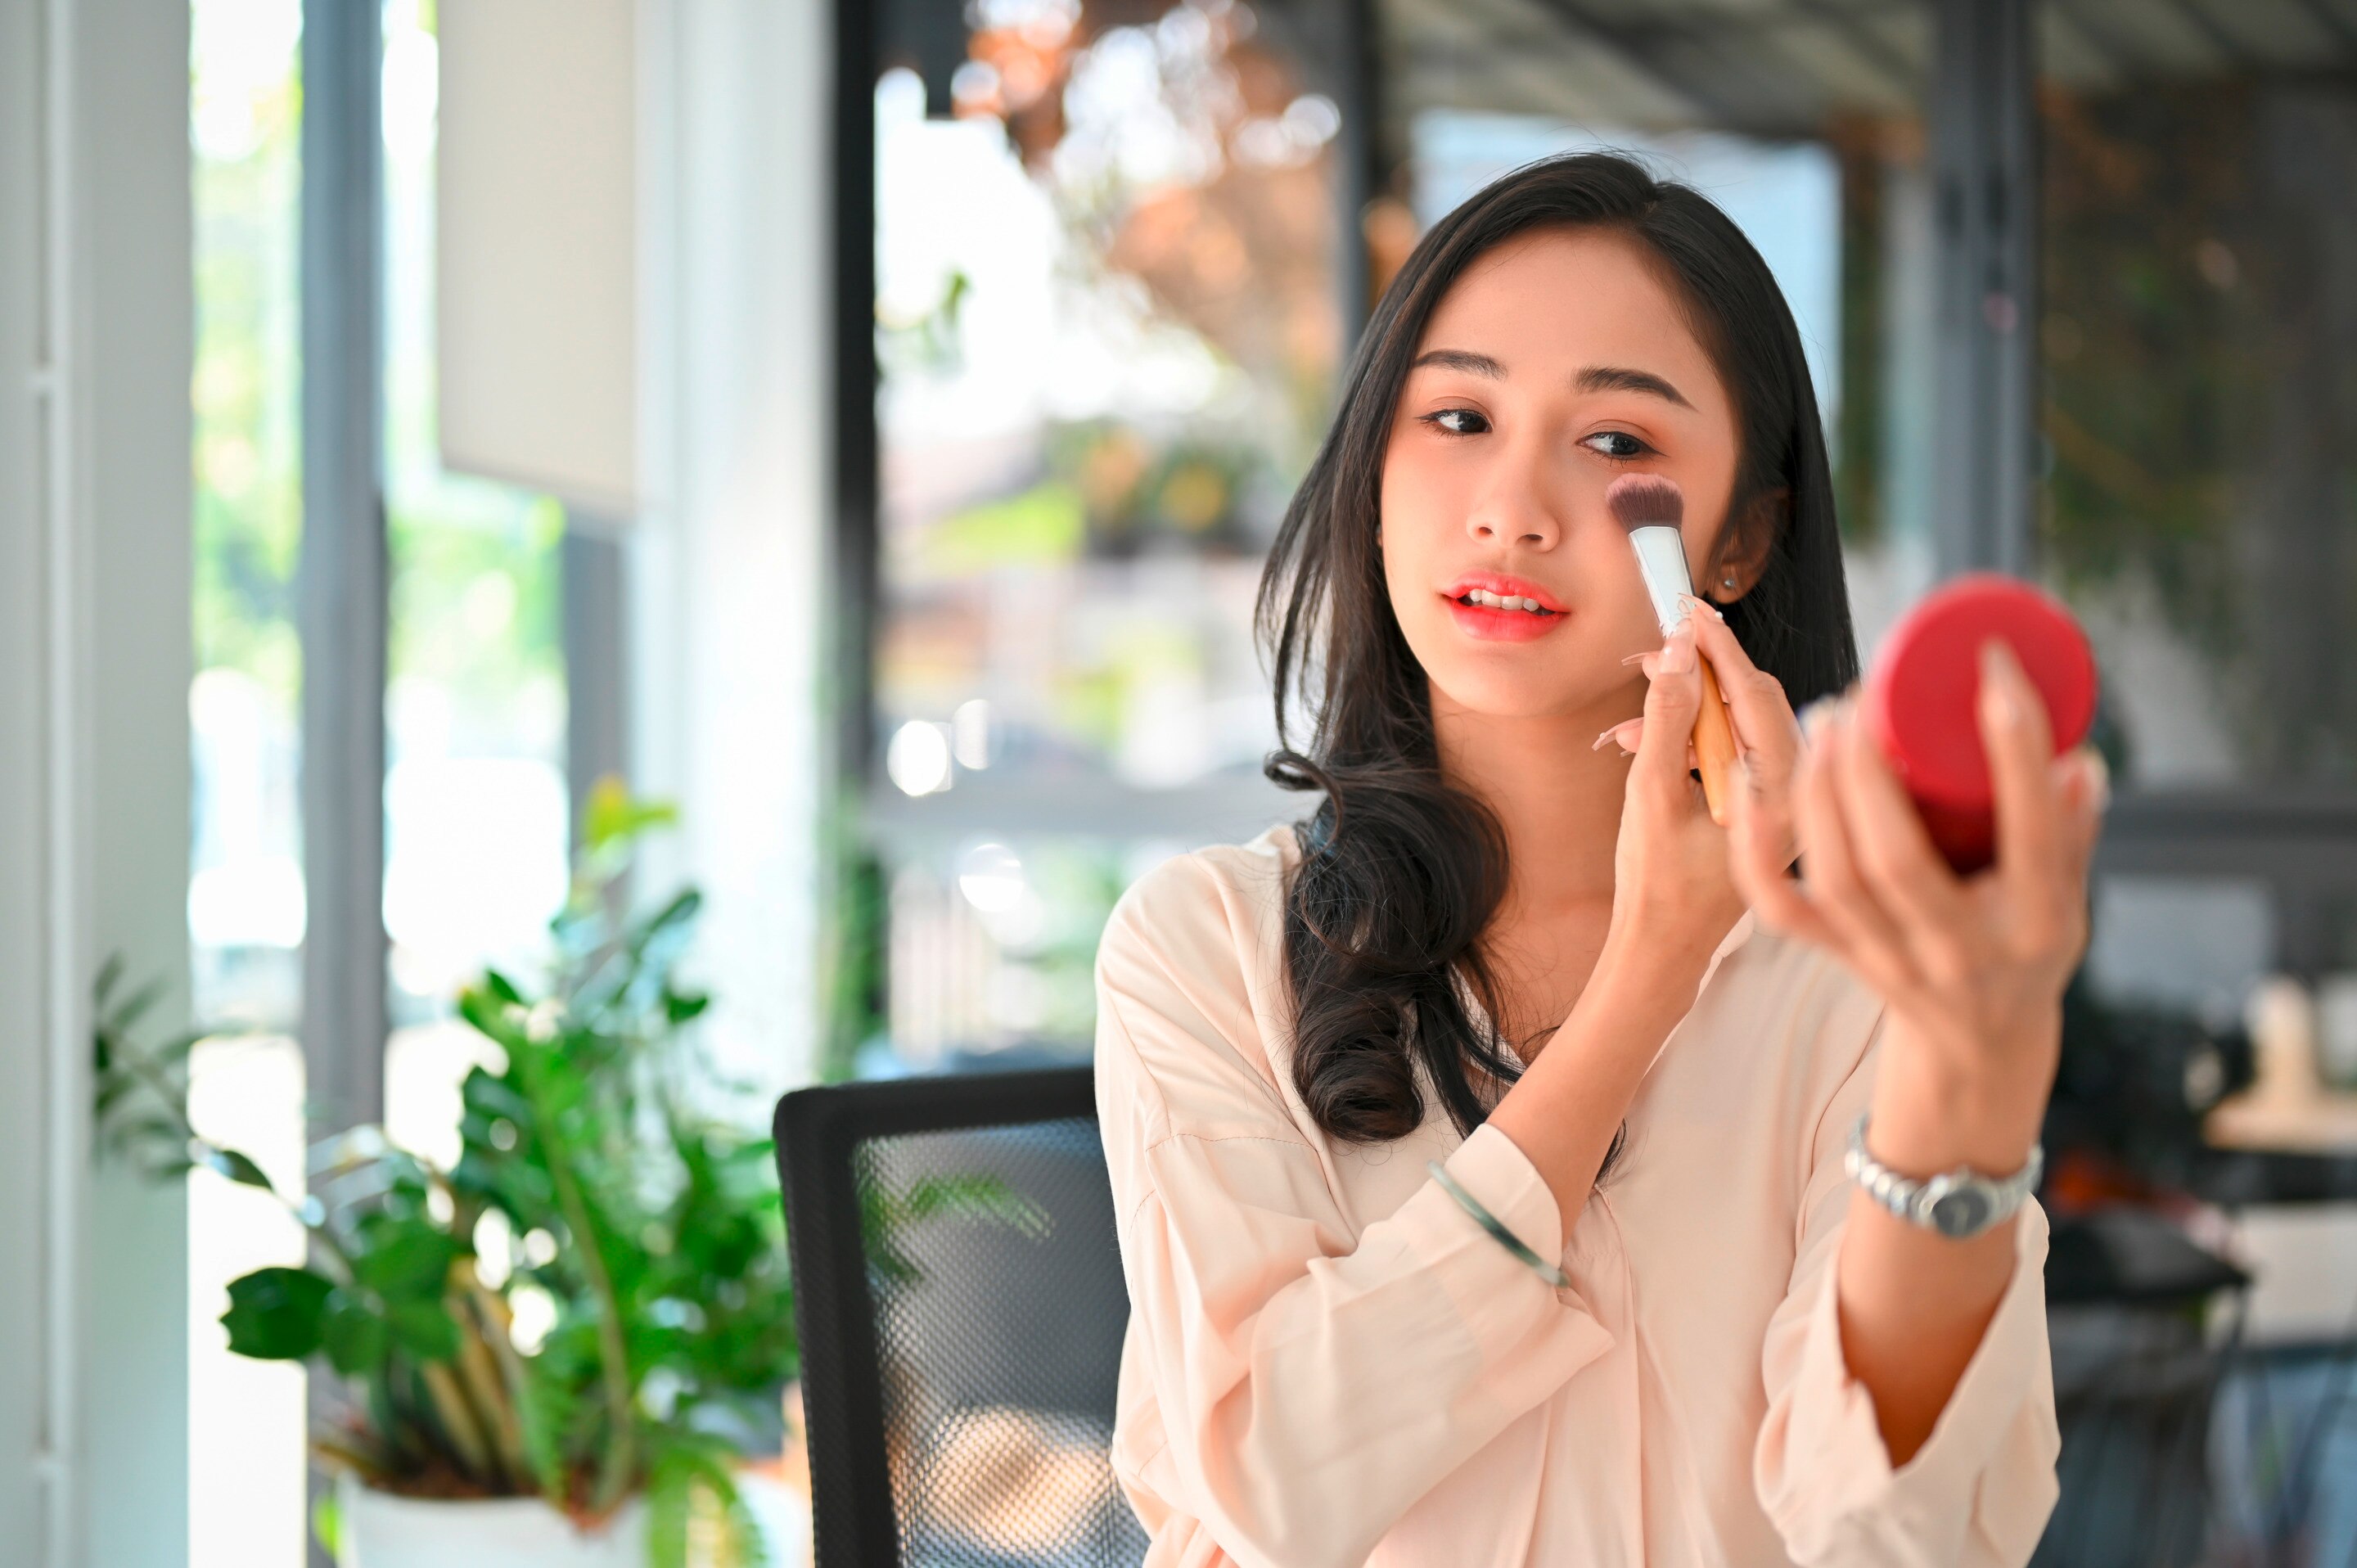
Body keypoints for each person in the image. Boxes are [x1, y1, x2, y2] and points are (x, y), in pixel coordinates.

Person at [1092, 152, 2107, 1567]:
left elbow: (1907, 1531)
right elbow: (1273, 1484)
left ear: (1740, 540)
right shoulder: (1206, 947)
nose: (1514, 505)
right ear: (1375, 474)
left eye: (1619, 441)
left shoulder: (1852, 969)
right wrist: (1643, 988)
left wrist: (1970, 1092)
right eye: (1459, 417)